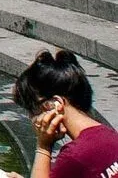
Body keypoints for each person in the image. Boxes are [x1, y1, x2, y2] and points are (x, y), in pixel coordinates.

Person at [8, 49, 118, 178]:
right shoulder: (108, 135)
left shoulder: (75, 155)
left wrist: (43, 146)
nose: (32, 118)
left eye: (33, 109)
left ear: (56, 104)